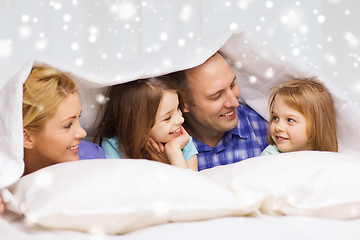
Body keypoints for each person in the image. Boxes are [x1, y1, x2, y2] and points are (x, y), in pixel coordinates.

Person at [0, 67, 106, 217]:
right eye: (68, 125)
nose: (83, 132)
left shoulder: (94, 159)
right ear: (26, 137)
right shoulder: (4, 175)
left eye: (78, 118)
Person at [167, 52, 269, 171]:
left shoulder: (265, 129)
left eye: (232, 85)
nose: (235, 103)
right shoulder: (161, 148)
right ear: (183, 103)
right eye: (216, 96)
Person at [95, 76, 198, 171]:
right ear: (139, 126)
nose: (180, 119)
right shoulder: (114, 148)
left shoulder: (182, 142)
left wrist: (174, 152)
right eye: (167, 118)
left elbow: (194, 189)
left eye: (178, 108)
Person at [261, 78, 338, 155]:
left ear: (317, 125)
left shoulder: (326, 157)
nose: (278, 127)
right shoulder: (270, 156)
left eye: (290, 120)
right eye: (275, 118)